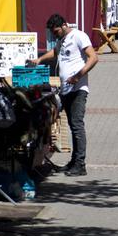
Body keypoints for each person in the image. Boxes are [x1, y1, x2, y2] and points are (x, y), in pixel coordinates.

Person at [33, 13, 98, 176]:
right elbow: (55, 52)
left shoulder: (78, 36)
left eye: (55, 32)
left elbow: (94, 58)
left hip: (78, 90)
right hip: (66, 90)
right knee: (71, 125)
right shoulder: (61, 41)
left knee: (77, 125)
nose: (54, 35)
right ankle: (74, 161)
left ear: (63, 25)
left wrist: (78, 76)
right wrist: (40, 59)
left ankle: (80, 164)